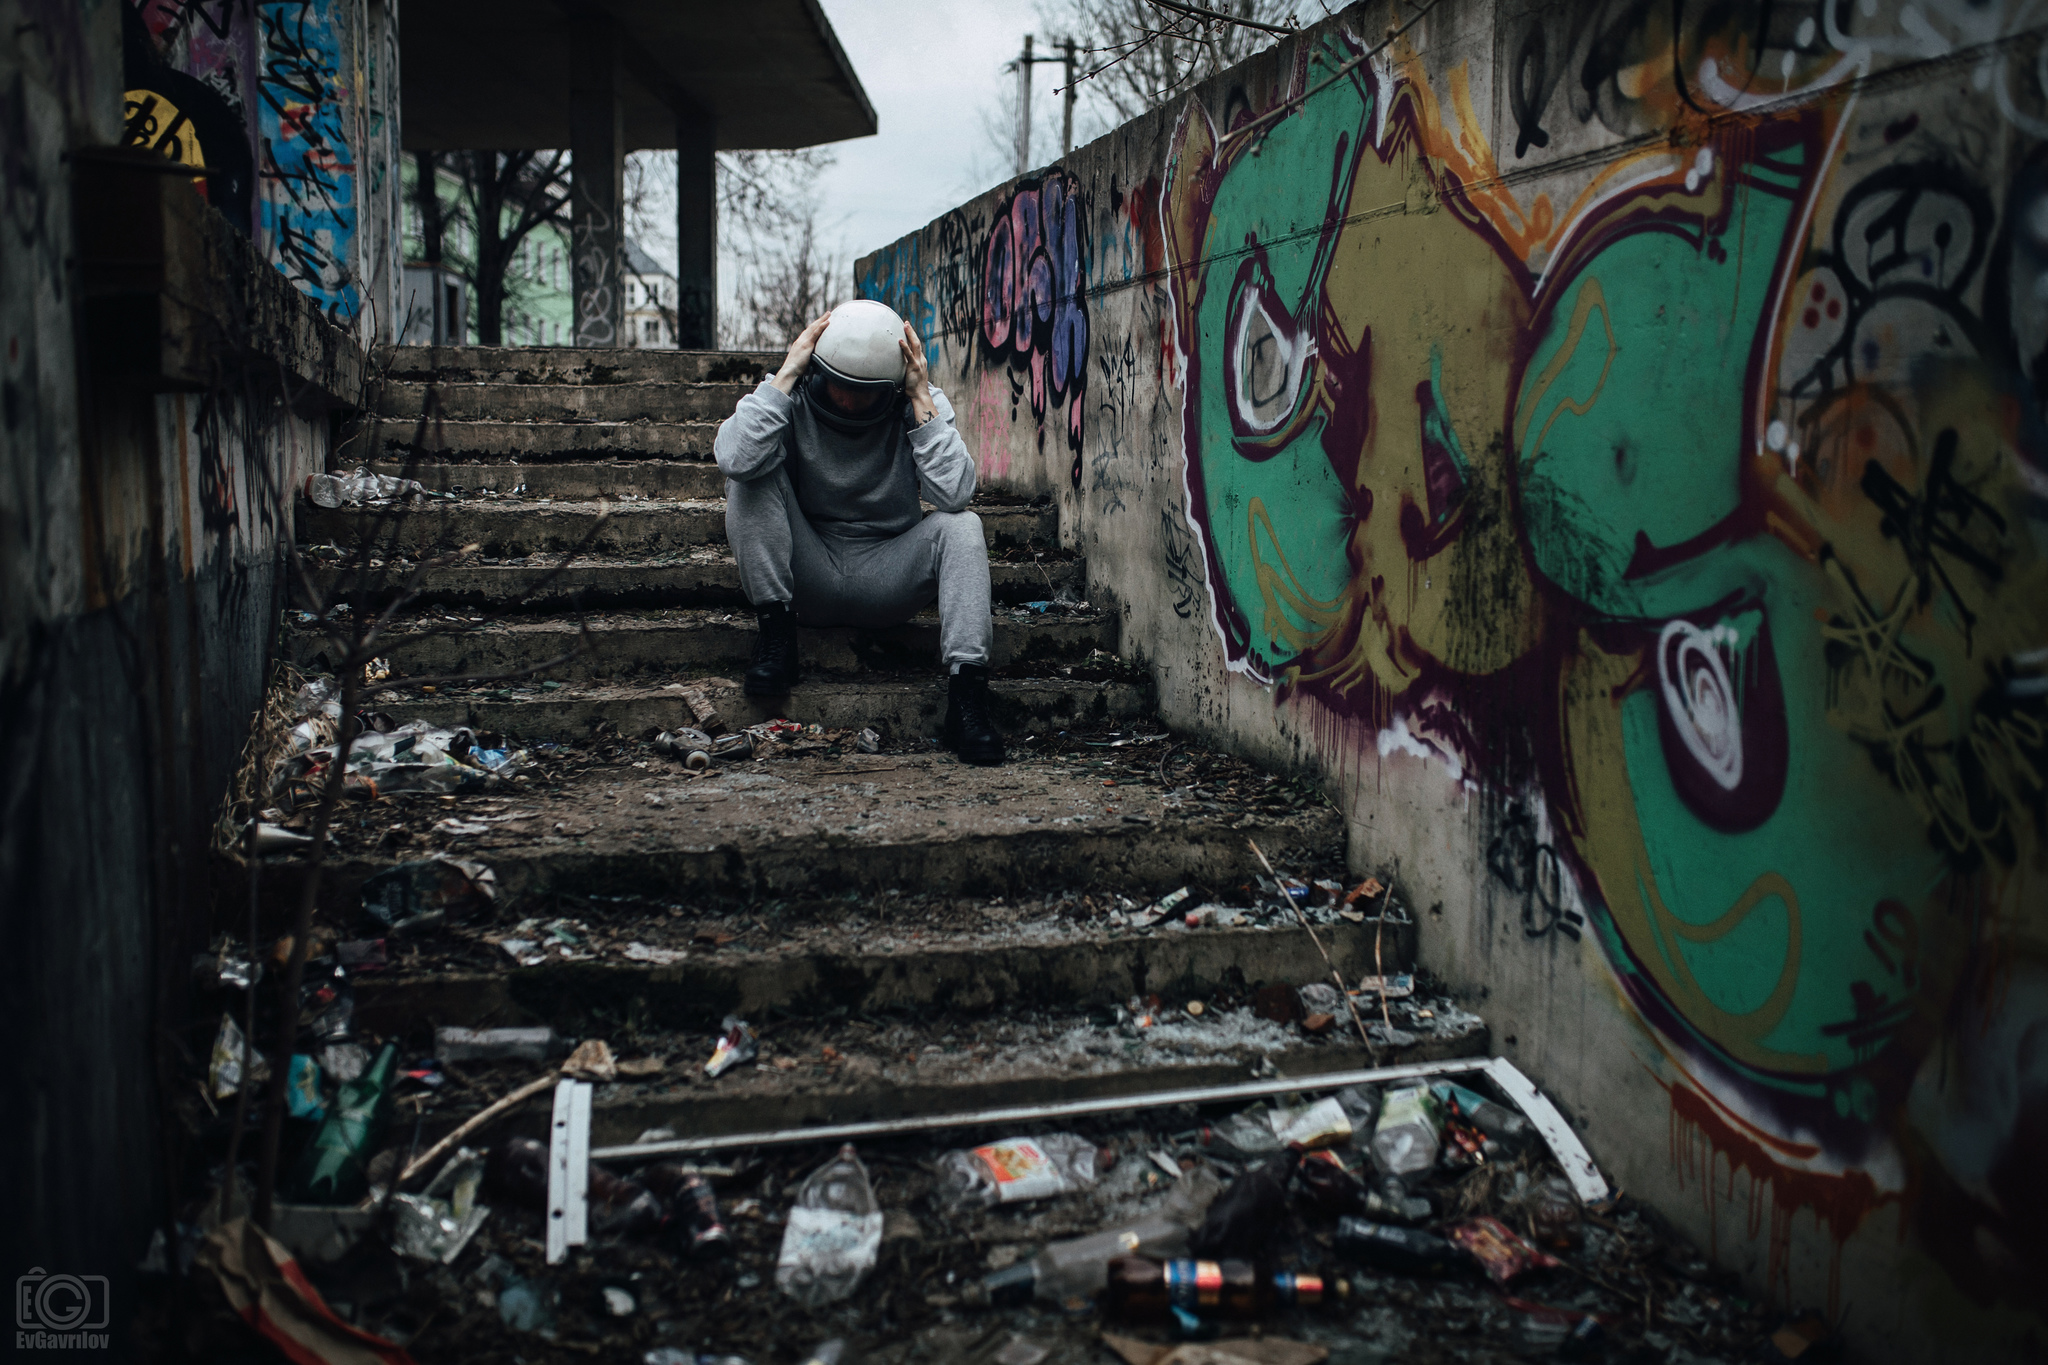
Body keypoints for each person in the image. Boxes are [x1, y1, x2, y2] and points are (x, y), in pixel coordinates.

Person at [714, 299, 1004, 765]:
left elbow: (954, 495)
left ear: (889, 385)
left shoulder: (916, 402)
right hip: (807, 575)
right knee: (749, 476)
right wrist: (787, 373)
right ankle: (774, 638)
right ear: (818, 370)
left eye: (864, 391)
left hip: (887, 577)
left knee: (963, 526)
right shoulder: (791, 395)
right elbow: (733, 458)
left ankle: (967, 699)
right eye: (839, 386)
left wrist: (920, 396)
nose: (849, 400)